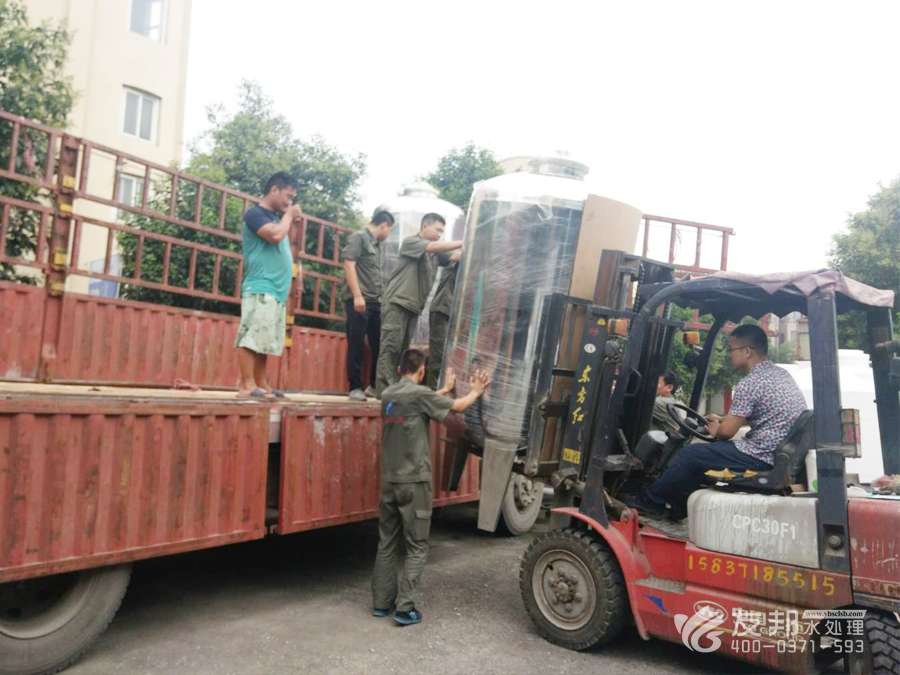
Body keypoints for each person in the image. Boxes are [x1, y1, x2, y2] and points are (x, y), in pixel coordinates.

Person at [631, 324, 807, 519]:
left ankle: (650, 503)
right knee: (703, 457)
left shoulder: (750, 383)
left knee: (690, 454)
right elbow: (764, 413)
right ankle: (679, 508)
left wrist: (717, 428)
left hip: (760, 455)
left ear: (747, 351)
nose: (729, 355)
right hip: (777, 451)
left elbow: (725, 433)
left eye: (731, 349)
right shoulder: (780, 374)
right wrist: (722, 419)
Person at [371, 348, 491, 625]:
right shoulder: (420, 395)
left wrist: (444, 390)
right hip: (414, 482)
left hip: (389, 480)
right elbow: (458, 408)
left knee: (387, 542)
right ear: (422, 371)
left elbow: (419, 403)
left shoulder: (388, 395)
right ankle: (405, 609)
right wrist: (476, 391)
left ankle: (381, 604)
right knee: (417, 545)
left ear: (400, 369)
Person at [375, 213, 463, 396]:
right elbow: (433, 246)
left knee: (402, 351)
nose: (440, 234)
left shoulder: (435, 254)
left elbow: (454, 257)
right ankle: (384, 392)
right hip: (397, 302)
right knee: (391, 348)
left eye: (442, 231)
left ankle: (396, 389)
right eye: (437, 230)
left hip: (413, 307)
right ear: (425, 226)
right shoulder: (411, 242)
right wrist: (464, 241)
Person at [235, 172, 301, 398]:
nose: (289, 202)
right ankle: (246, 384)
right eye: (288, 196)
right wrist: (289, 216)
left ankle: (262, 384)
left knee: (263, 340)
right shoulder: (254, 214)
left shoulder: (275, 218)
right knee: (252, 336)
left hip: (276, 291)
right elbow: (275, 236)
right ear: (274, 190)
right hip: (261, 286)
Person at [342, 210, 395, 401]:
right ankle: (355, 387)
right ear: (384, 225)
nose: (389, 234)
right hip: (359, 300)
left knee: (379, 344)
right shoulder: (359, 237)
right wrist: (357, 296)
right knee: (356, 343)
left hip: (375, 302)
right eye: (390, 230)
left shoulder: (377, 245)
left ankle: (373, 385)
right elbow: (349, 265)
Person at [426, 251, 461, 389]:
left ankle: (439, 389)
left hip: (452, 313)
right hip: (441, 310)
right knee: (438, 356)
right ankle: (432, 390)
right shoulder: (453, 260)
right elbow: (445, 255)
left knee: (447, 357)